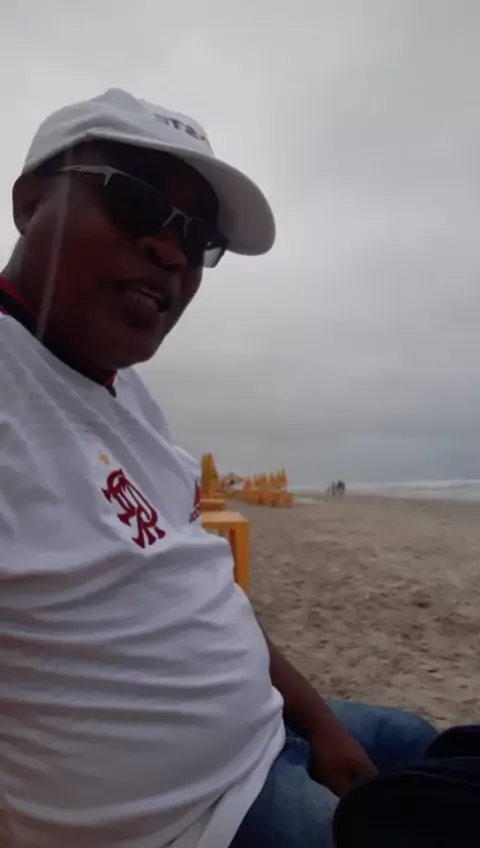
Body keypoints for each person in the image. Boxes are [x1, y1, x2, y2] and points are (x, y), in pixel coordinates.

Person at [0, 88, 437, 848]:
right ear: (32, 202)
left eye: (198, 236)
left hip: (274, 738)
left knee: (430, 745)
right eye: (136, 203)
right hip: (197, 821)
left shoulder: (129, 395)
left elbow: (205, 582)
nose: (172, 251)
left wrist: (318, 723)